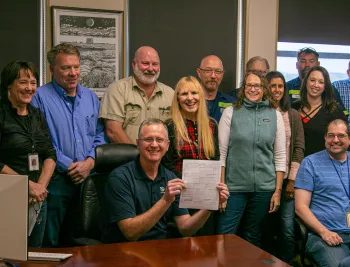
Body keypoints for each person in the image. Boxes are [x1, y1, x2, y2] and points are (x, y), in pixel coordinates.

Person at [101, 119, 229, 243]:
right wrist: (165, 200)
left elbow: (185, 229)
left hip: (160, 249)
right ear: (138, 143)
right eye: (148, 139)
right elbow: (130, 233)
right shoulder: (119, 178)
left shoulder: (170, 177)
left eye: (160, 140)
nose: (154, 145)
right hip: (124, 251)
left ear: (167, 145)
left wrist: (210, 206)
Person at [32, 43, 106, 247]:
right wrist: (69, 165)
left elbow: (100, 134)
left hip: (88, 181)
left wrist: (90, 162)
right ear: (52, 69)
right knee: (51, 241)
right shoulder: (38, 97)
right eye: (66, 68)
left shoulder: (90, 97)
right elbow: (40, 140)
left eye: (76, 67)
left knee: (83, 242)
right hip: (56, 181)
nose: (73, 73)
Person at [295, 119, 350, 267]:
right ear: (325, 138)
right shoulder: (310, 163)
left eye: (340, 136)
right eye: (330, 135)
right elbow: (300, 207)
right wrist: (324, 232)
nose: (335, 140)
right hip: (324, 236)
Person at [216, 71, 286, 248]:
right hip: (234, 188)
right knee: (224, 237)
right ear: (243, 88)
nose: (253, 89)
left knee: (253, 238)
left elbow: (279, 155)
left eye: (257, 86)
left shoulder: (275, 115)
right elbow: (221, 154)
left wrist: (277, 191)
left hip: (264, 189)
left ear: (264, 89)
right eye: (249, 85)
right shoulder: (230, 113)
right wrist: (222, 190)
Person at [0, 61, 57, 247]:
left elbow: (50, 154)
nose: (29, 88)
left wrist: (39, 188)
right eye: (23, 82)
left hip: (38, 199)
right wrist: (25, 185)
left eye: (33, 83)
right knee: (8, 253)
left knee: (34, 254)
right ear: (9, 84)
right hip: (7, 195)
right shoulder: (2, 114)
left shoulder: (37, 115)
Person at [161, 76, 219, 235]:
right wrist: (191, 184)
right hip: (181, 197)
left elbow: (215, 160)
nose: (190, 98)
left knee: (206, 246)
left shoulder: (211, 125)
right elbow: (167, 165)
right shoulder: (169, 126)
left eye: (194, 93)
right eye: (184, 94)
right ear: (177, 99)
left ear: (200, 96)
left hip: (206, 197)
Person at [265, 71, 304, 264]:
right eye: (273, 86)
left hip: (288, 182)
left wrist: (292, 180)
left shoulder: (293, 115)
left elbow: (298, 148)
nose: (277, 90)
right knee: (265, 229)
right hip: (264, 181)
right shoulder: (261, 113)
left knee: (287, 230)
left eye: (281, 86)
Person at [100, 46, 174, 143]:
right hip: (128, 157)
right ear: (134, 64)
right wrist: (139, 156)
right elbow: (113, 131)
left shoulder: (170, 94)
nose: (151, 69)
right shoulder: (117, 90)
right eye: (145, 63)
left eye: (155, 64)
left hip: (163, 158)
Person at [292, 66, 347, 157]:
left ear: (325, 86)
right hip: (295, 164)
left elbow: (343, 141)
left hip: (323, 164)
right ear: (306, 82)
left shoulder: (334, 110)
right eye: (312, 80)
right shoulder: (294, 107)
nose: (316, 85)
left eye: (321, 82)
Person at [196, 55, 236, 122]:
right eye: (208, 70)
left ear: (222, 75)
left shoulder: (232, 103)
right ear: (199, 73)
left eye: (218, 71)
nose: (213, 76)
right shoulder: (190, 101)